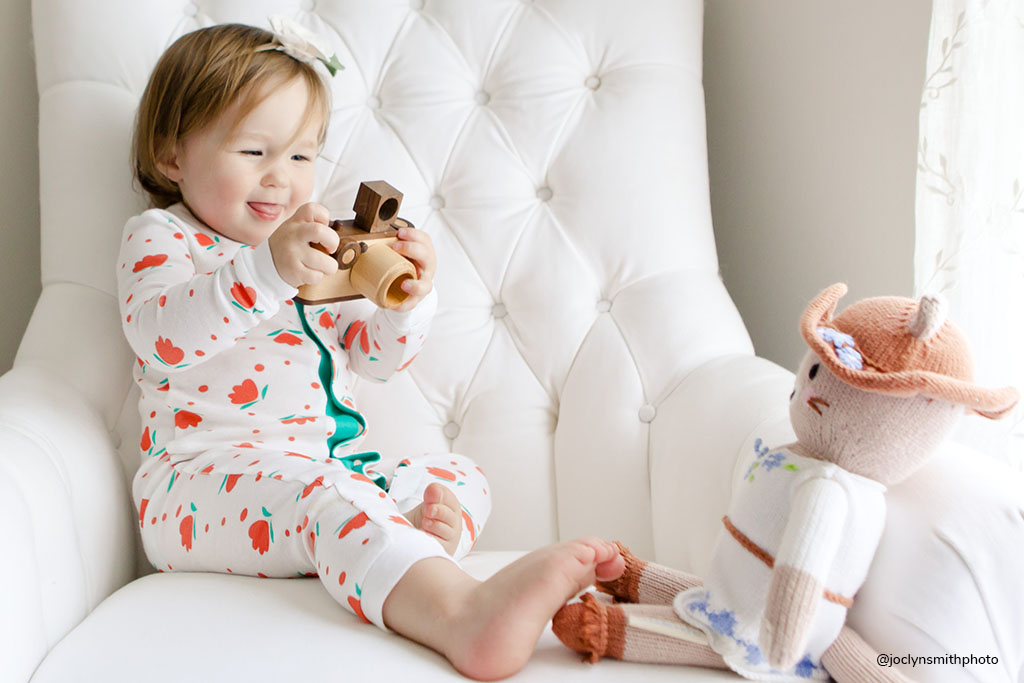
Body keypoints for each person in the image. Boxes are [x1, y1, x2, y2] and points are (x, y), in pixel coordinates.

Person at [118, 19, 623, 680]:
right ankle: (461, 614)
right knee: (325, 495)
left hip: (324, 467)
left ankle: (414, 541)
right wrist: (266, 273)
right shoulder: (165, 236)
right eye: (253, 152)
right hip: (195, 485)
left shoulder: (313, 246)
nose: (280, 179)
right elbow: (163, 337)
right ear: (171, 156)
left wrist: (409, 297)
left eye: (301, 156)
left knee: (460, 475)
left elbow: (375, 359)